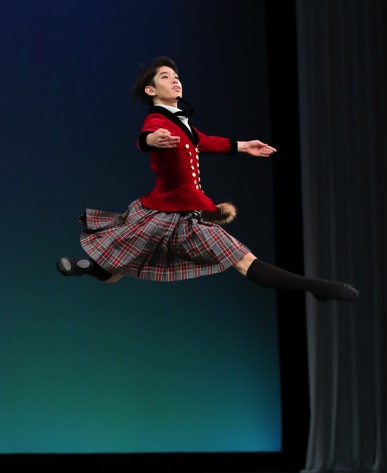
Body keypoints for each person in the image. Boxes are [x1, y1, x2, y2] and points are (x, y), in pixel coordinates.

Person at [56, 56, 359, 303]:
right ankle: (319, 287)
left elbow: (205, 141)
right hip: (174, 215)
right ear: (151, 90)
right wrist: (150, 140)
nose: (175, 80)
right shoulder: (157, 120)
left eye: (176, 76)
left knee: (117, 271)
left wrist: (243, 146)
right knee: (242, 262)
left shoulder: (182, 123)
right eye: (165, 77)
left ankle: (87, 266)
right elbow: (146, 136)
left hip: (173, 214)